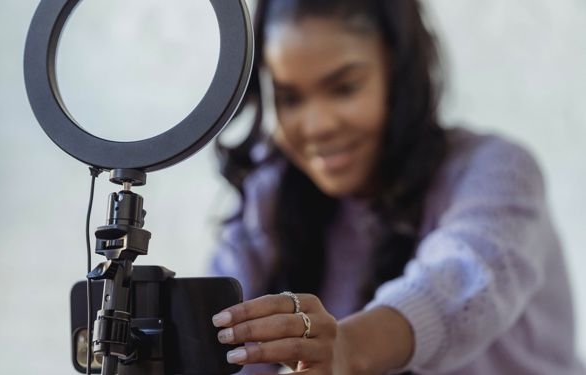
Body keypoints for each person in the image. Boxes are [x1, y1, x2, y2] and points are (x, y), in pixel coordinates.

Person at [209, 0, 586, 374]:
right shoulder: (270, 195)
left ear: (398, 73)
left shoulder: (498, 171)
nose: (317, 125)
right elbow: (223, 338)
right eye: (289, 98)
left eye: (344, 88)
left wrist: (346, 348)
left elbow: (456, 282)